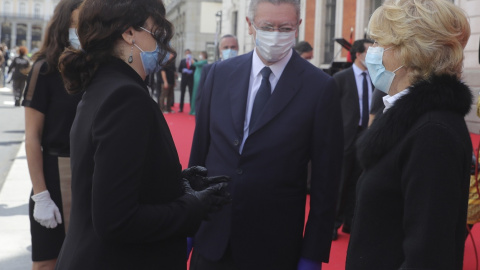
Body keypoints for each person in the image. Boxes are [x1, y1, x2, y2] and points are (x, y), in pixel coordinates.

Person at [55, 0, 231, 268]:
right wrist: (194, 207)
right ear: (129, 33)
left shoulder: (108, 86)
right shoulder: (125, 96)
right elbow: (116, 220)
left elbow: (114, 179)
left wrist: (176, 184)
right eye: (156, 32)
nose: (163, 45)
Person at [188, 0, 343, 269]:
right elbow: (199, 155)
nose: (276, 35)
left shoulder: (320, 88)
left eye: (285, 27)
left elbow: (326, 182)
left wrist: (313, 253)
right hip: (212, 238)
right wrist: (187, 222)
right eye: (267, 26)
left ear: (298, 27)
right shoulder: (219, 74)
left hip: (275, 246)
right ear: (250, 26)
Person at [345, 0, 472, 269]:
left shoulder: (432, 132)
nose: (372, 51)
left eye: (379, 42)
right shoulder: (409, 117)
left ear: (409, 52)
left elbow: (428, 253)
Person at [22, 1, 83, 269]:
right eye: (80, 21)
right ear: (65, 22)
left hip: (90, 172)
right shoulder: (44, 69)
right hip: (53, 175)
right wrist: (41, 195)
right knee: (47, 263)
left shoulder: (95, 68)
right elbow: (32, 137)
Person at [331, 39, 373, 240]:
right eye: (369, 52)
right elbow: (330, 108)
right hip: (346, 136)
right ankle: (333, 224)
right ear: (358, 54)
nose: (373, 56)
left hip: (366, 136)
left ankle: (351, 223)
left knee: (359, 181)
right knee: (340, 181)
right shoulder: (341, 78)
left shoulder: (376, 77)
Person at [194, 34, 239, 114]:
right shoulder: (208, 70)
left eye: (233, 47)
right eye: (226, 47)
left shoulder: (245, 68)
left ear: (237, 48)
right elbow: (201, 100)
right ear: (220, 49)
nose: (229, 50)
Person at [189, 51, 208, 115]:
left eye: (200, 54)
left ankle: (195, 110)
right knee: (195, 93)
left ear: (203, 55)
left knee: (196, 93)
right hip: (196, 78)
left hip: (199, 79)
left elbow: (194, 63)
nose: (200, 56)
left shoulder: (204, 61)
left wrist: (190, 58)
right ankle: (193, 109)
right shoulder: (202, 61)